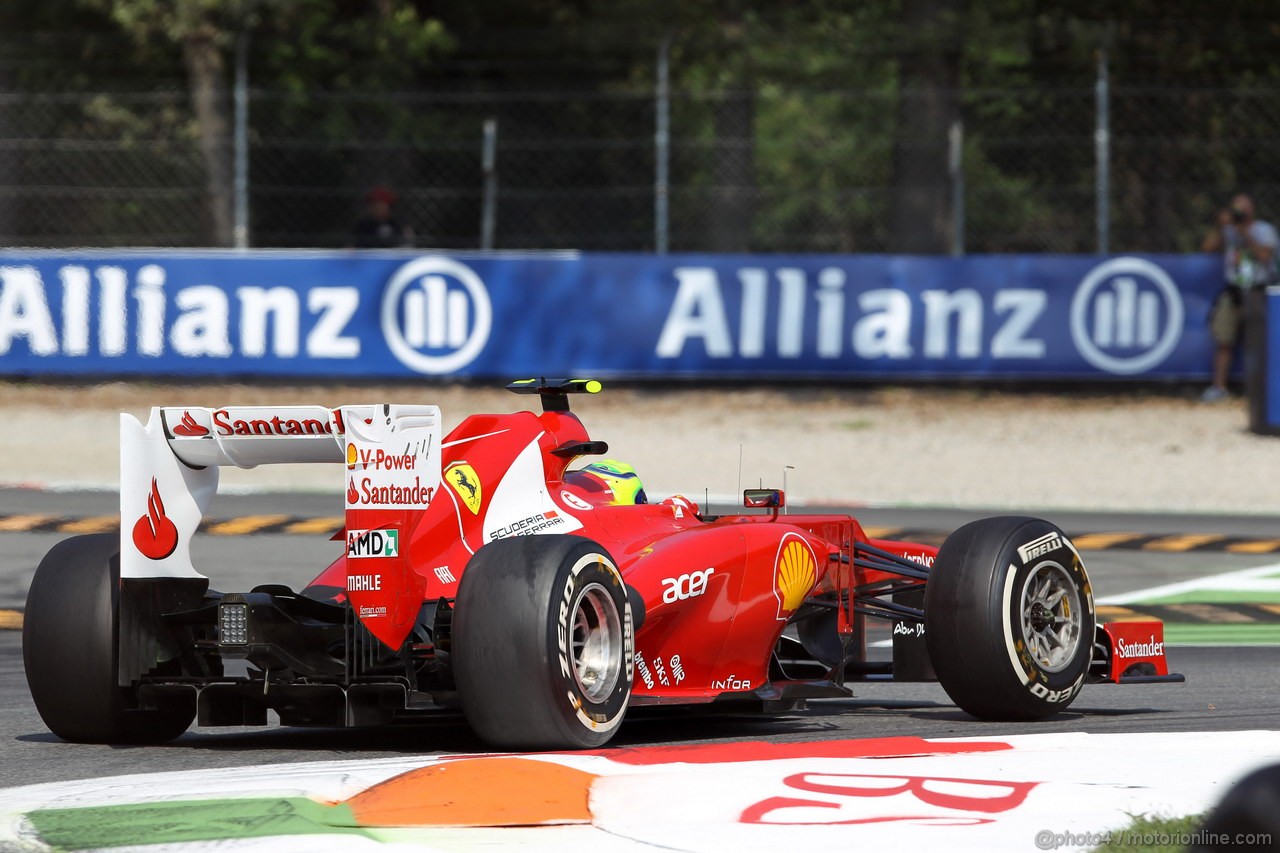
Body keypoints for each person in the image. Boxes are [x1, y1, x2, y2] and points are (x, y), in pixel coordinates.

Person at [1200, 193, 1279, 402]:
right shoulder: (1227, 231)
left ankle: (1268, 391)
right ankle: (1219, 388)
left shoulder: (1264, 230)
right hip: (1234, 290)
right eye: (1236, 209)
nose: (1240, 213)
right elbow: (1207, 248)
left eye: (1243, 209)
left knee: (1267, 342)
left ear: (1252, 210)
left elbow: (1265, 256)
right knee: (1224, 338)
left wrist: (1245, 233)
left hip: (1260, 291)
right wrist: (1220, 226)